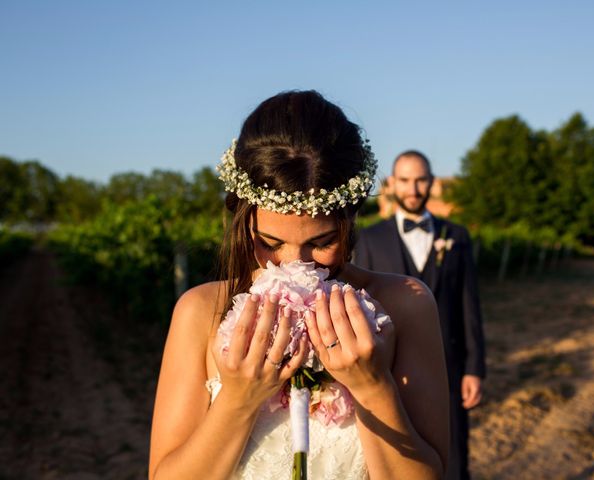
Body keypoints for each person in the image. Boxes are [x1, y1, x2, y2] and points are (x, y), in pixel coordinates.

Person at [149, 91, 449, 479]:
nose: (295, 265)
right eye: (270, 243)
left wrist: (373, 387)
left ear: (352, 220)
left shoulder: (407, 305)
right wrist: (238, 400)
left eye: (322, 242)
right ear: (242, 220)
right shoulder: (200, 310)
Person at [353, 150, 486, 480]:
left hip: (450, 367)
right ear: (393, 184)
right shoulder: (368, 238)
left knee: (454, 460)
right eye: (406, 181)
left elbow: (469, 305)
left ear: (431, 183)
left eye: (421, 180)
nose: (414, 189)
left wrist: (474, 368)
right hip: (389, 368)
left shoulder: (456, 236)